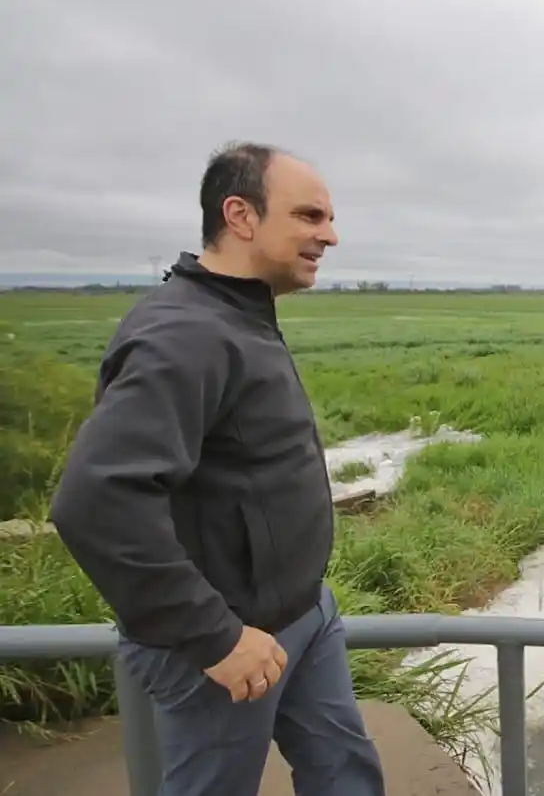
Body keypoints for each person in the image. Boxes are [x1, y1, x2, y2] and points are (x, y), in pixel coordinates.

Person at [49, 141, 385, 795]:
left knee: (347, 775)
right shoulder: (185, 332)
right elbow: (95, 498)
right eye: (310, 216)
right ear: (241, 215)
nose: (331, 235)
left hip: (304, 616)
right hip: (227, 644)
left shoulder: (238, 313)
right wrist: (217, 638)